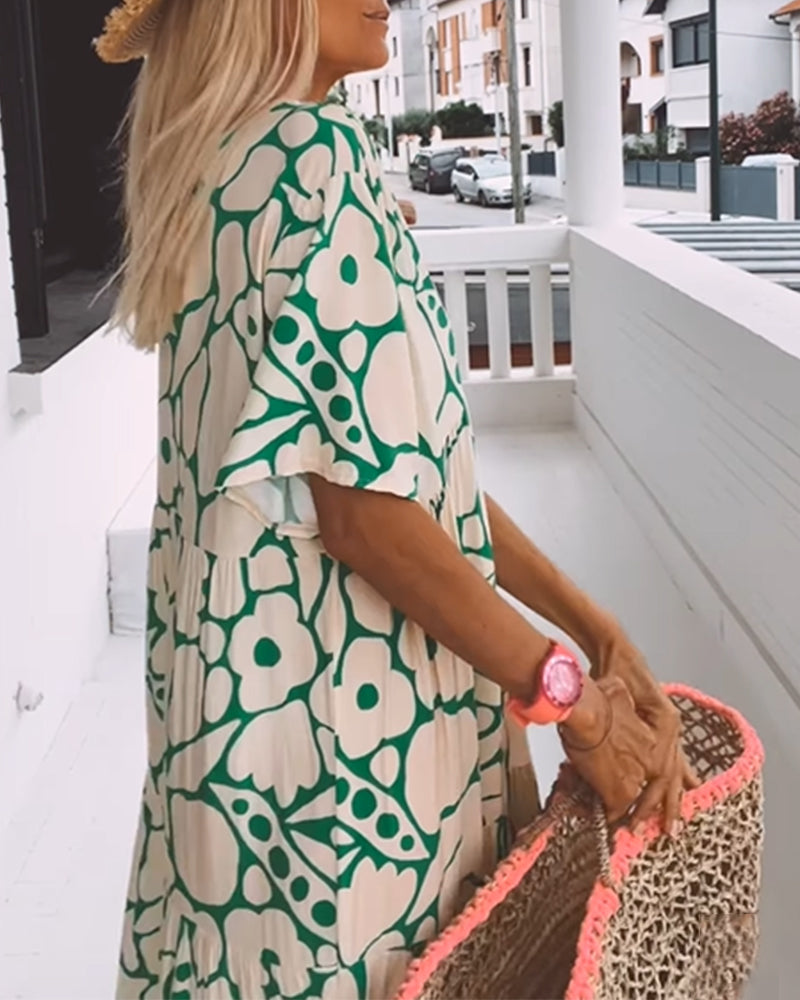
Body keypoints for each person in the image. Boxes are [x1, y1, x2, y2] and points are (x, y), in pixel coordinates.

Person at [96, 1, 695, 997]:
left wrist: (589, 627)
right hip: (350, 758)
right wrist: (575, 707)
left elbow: (420, 481)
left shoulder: (209, 172)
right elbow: (369, 521)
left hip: (237, 745)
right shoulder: (309, 161)